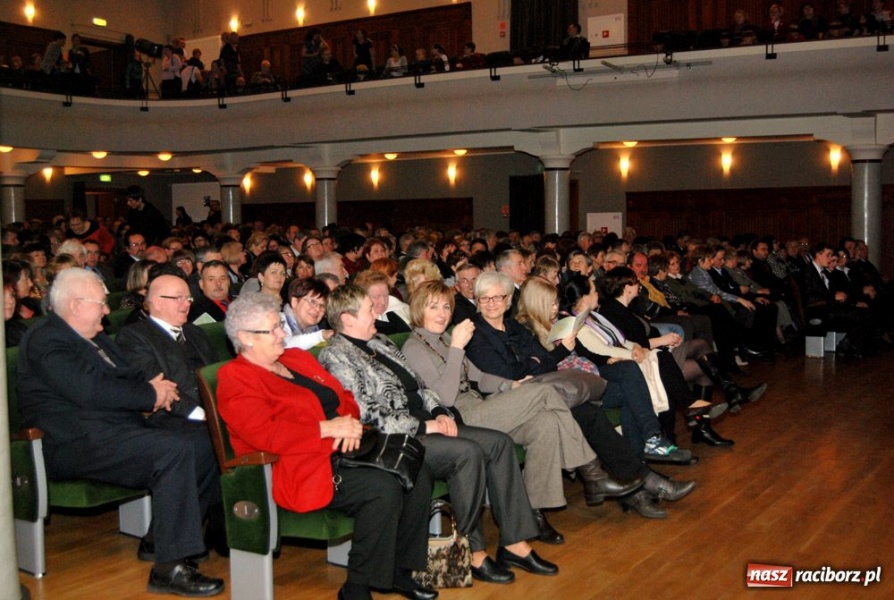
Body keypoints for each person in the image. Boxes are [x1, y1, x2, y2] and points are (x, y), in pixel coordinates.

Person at [319, 285, 561, 582]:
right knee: (467, 452)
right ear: (347, 318)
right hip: (398, 437)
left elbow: (422, 387)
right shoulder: (336, 356)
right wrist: (424, 425)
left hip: (427, 422)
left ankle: (514, 542)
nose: (377, 313)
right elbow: (367, 414)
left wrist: (438, 412)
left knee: (499, 443)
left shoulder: (381, 342)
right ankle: (473, 551)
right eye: (370, 310)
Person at [404, 282, 686, 524]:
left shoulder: (447, 337)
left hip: (491, 402)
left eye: (445, 307)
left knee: (550, 421)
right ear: (419, 309)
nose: (442, 314)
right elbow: (446, 397)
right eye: (433, 307)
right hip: (462, 417)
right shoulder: (416, 346)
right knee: (554, 396)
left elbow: (479, 376)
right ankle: (593, 472)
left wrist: (510, 385)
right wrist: (457, 350)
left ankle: (533, 515)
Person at [16, 268, 224, 597]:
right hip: (76, 442)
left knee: (201, 441)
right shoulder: (46, 338)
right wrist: (149, 394)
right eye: (100, 303)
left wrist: (152, 387)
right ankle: (168, 568)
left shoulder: (95, 337)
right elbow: (88, 389)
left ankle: (161, 540)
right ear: (74, 306)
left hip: (116, 430)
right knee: (173, 449)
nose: (107, 309)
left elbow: (127, 374)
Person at [217, 293, 433, 600]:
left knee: (418, 470)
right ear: (244, 338)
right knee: (382, 489)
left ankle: (401, 570)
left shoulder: (296, 359)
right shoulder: (236, 377)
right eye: (273, 329)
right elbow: (264, 434)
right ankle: (356, 588)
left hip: (349, 447)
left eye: (280, 325)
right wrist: (326, 428)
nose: (283, 333)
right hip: (303, 465)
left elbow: (344, 395)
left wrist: (348, 423)